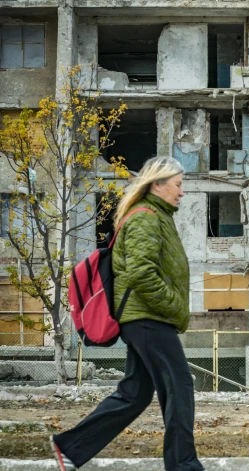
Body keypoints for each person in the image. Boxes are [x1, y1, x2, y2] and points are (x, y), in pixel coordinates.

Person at [50, 156, 204, 471]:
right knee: (179, 385)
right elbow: (140, 274)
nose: (182, 192)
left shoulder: (157, 216)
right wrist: (173, 304)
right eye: (177, 185)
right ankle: (183, 465)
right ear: (158, 185)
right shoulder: (145, 217)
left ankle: (70, 447)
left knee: (135, 393)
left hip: (145, 318)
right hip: (148, 319)